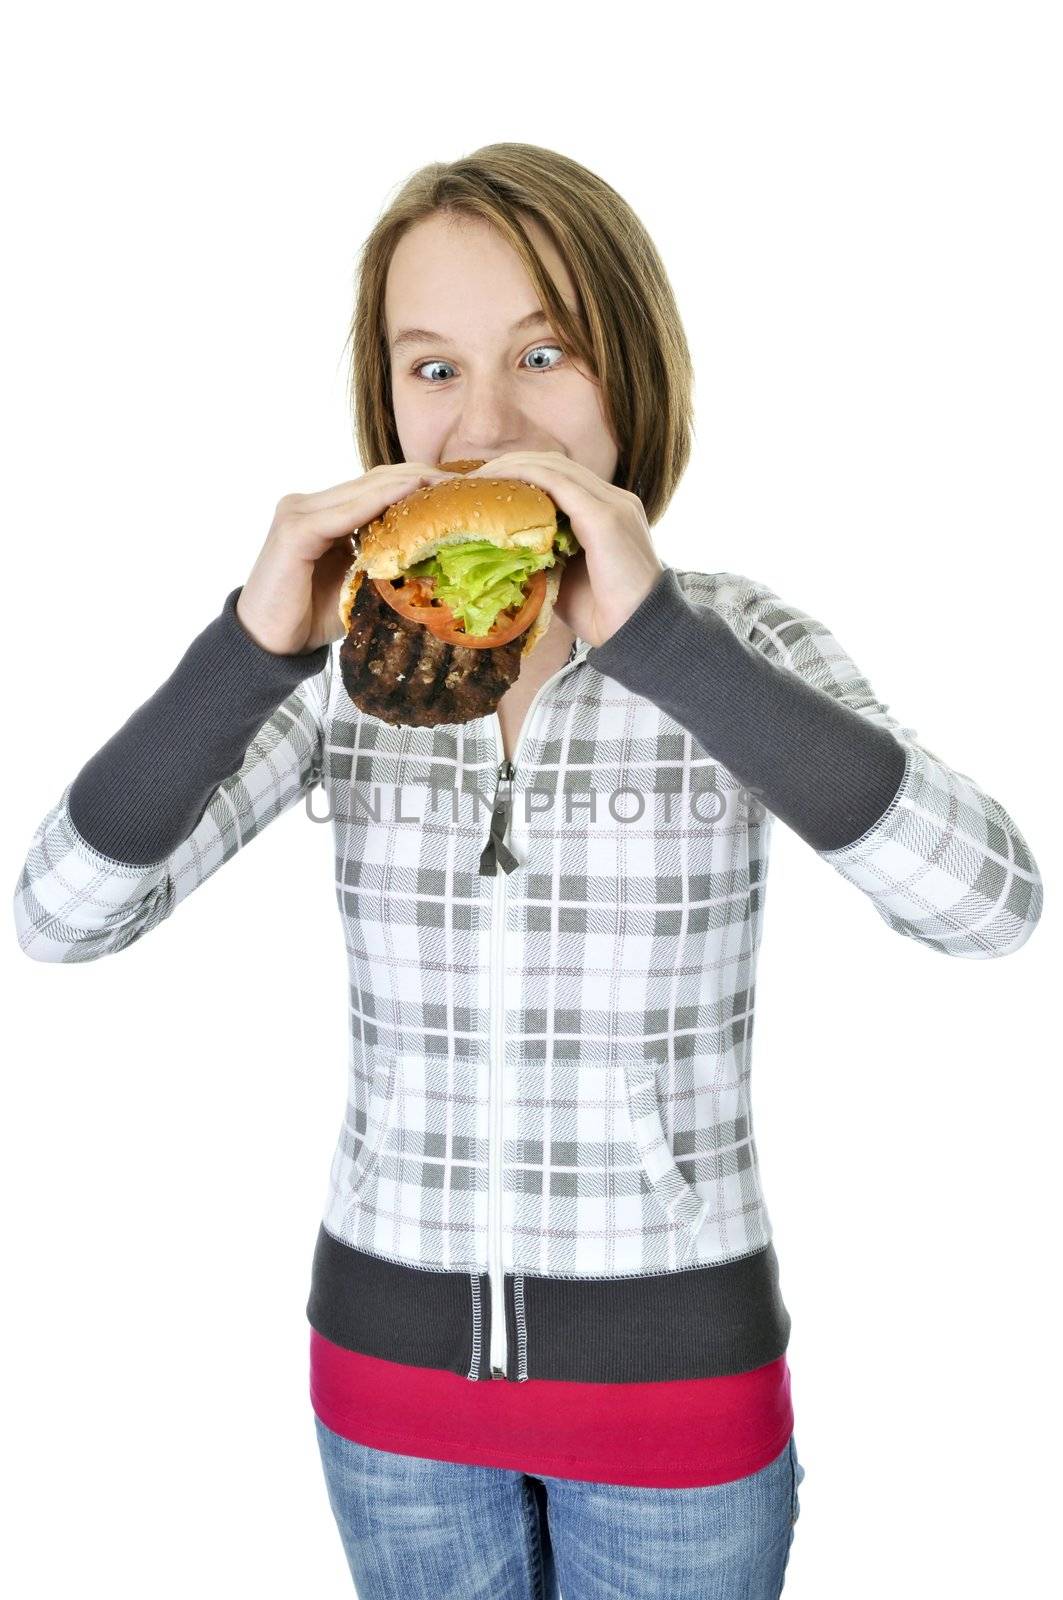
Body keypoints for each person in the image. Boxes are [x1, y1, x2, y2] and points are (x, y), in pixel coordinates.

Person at [13, 143, 1042, 1599]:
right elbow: (58, 914)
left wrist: (668, 646)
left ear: (630, 369)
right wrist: (249, 651)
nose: (483, 423)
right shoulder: (342, 670)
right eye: (432, 370)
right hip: (390, 1401)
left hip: (680, 1403)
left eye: (541, 354)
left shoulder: (738, 641)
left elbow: (991, 904)